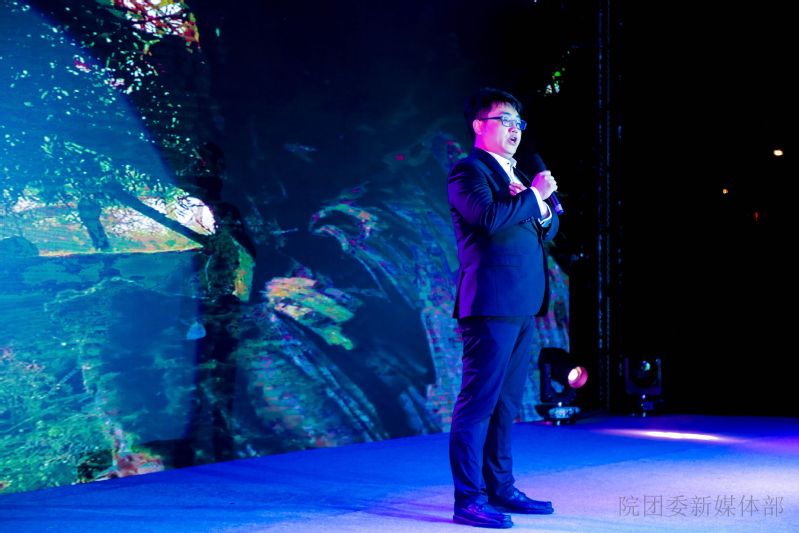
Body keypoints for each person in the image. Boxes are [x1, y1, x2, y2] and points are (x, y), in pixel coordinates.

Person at [447, 87, 560, 529]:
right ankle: (469, 499)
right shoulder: (468, 171)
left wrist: (542, 208)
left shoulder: (518, 175)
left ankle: (501, 487)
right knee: (478, 403)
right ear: (480, 126)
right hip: (490, 303)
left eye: (518, 123)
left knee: (507, 404)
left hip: (523, 303)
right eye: (505, 121)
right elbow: (489, 219)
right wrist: (532, 196)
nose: (515, 130)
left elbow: (546, 227)